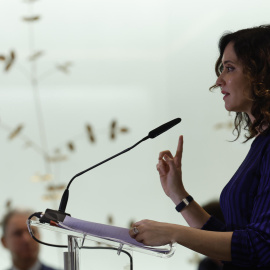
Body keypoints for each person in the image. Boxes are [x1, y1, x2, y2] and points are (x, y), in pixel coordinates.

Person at [129, 25, 270, 269]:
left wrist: (172, 233)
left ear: (260, 74)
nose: (219, 80)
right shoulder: (262, 144)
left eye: (229, 68)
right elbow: (233, 241)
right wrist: (178, 195)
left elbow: (260, 247)